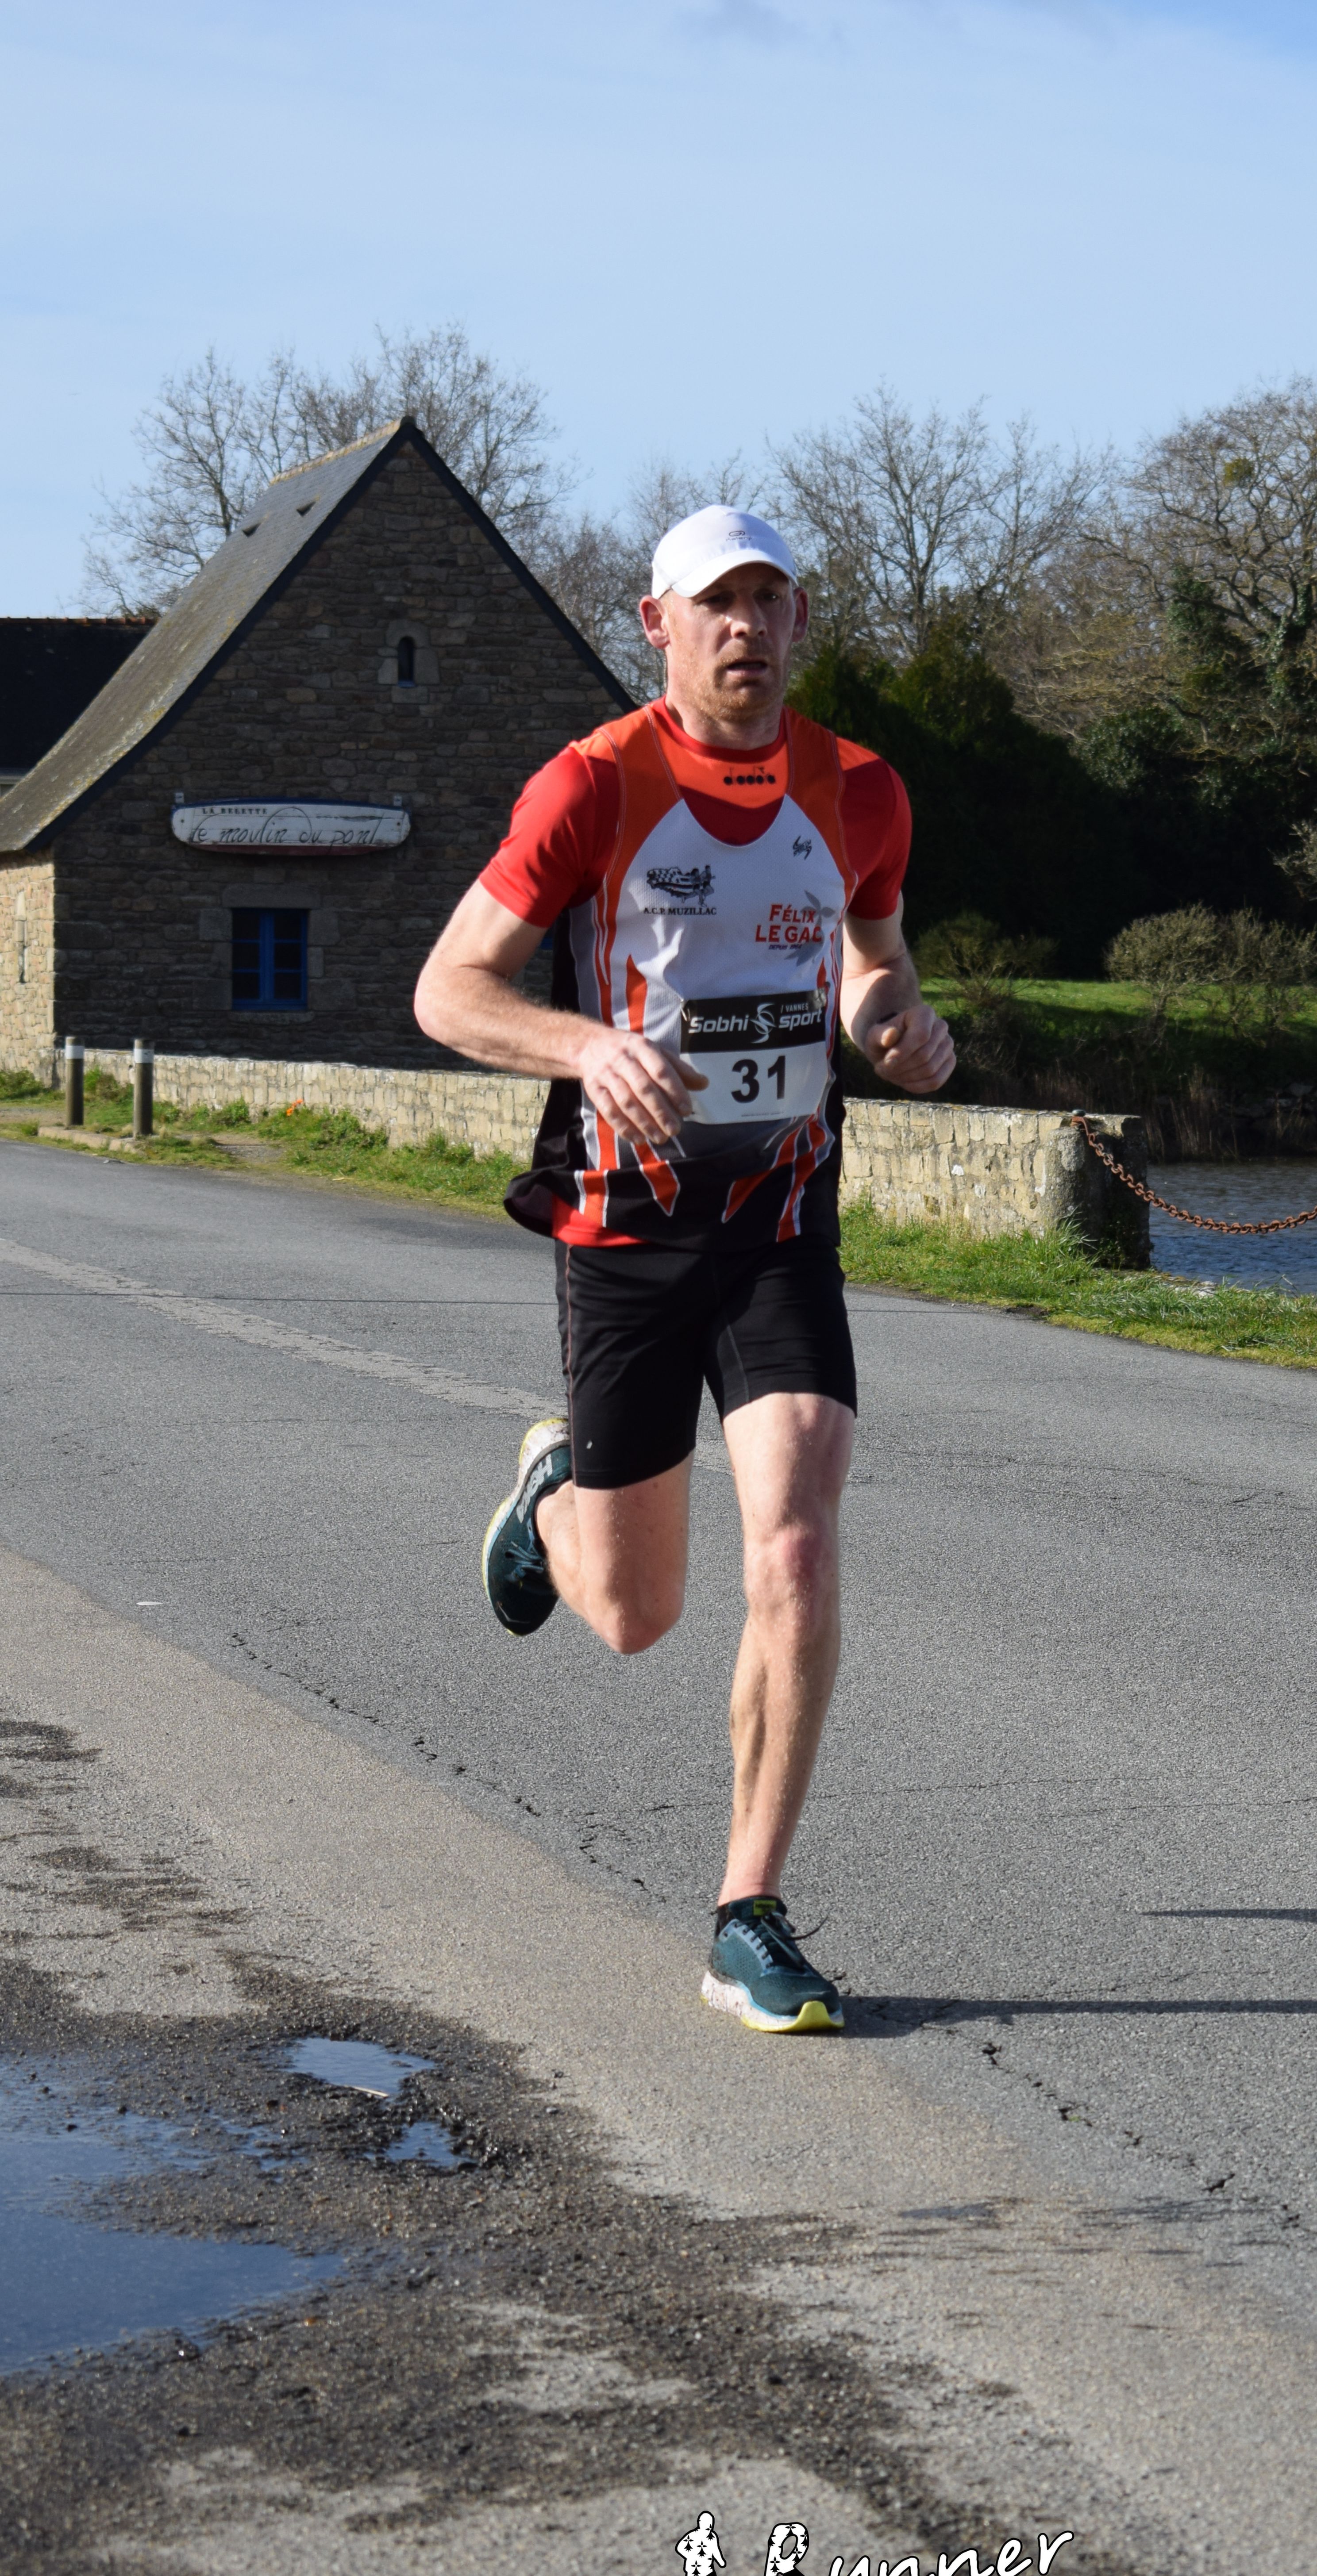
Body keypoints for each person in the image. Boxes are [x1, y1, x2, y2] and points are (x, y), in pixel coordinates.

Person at [413, 505, 953, 2034]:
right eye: (717, 602)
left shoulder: (859, 790)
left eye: (770, 600)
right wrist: (587, 1046)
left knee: (796, 1544)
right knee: (636, 1613)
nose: (746, 627)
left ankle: (746, 1913)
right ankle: (551, 1493)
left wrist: (897, 1024)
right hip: (626, 1236)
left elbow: (874, 958)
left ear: (800, 621)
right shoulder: (595, 785)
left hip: (780, 1225)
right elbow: (448, 990)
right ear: (658, 624)